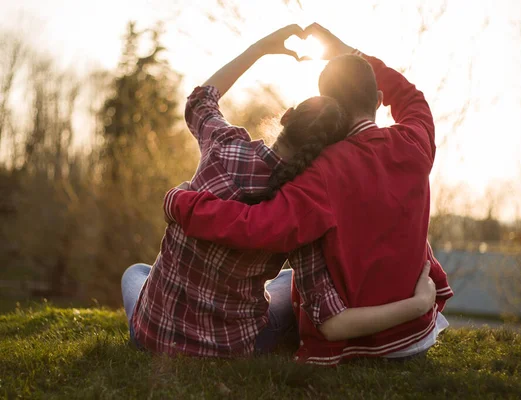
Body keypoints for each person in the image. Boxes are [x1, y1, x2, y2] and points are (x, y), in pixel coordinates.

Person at [121, 25, 439, 359]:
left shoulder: (230, 147)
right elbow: (409, 96)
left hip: (155, 333)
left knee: (137, 273)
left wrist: (179, 202)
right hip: (239, 346)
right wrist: (347, 52)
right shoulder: (401, 146)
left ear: (288, 117)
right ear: (374, 102)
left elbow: (201, 100)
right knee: (288, 283)